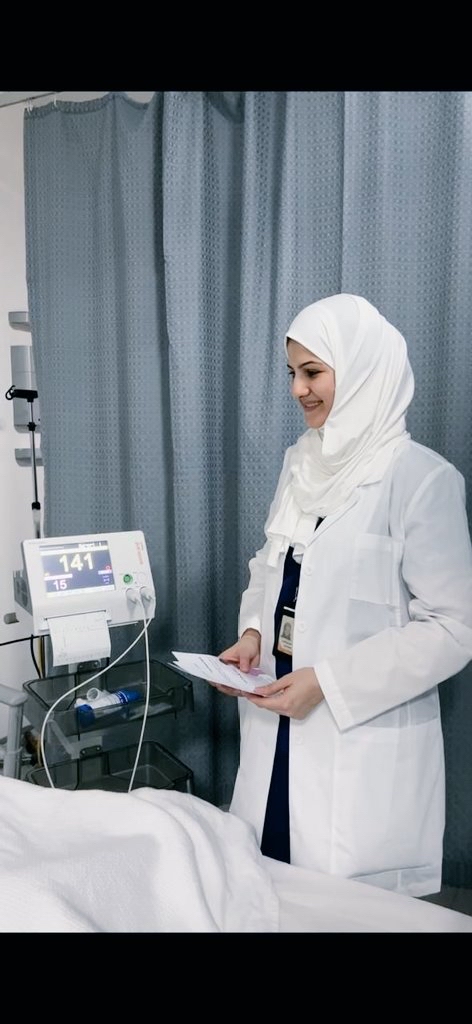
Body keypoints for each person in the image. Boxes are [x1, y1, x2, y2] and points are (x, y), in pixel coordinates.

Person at [212, 293, 472, 898]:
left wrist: (328, 682)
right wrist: (253, 633)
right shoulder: (302, 464)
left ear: (361, 371)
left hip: (354, 739)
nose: (298, 390)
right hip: (278, 718)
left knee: (348, 912)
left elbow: (455, 626)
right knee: (273, 889)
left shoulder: (422, 480)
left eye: (312, 372)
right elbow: (270, 563)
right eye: (292, 373)